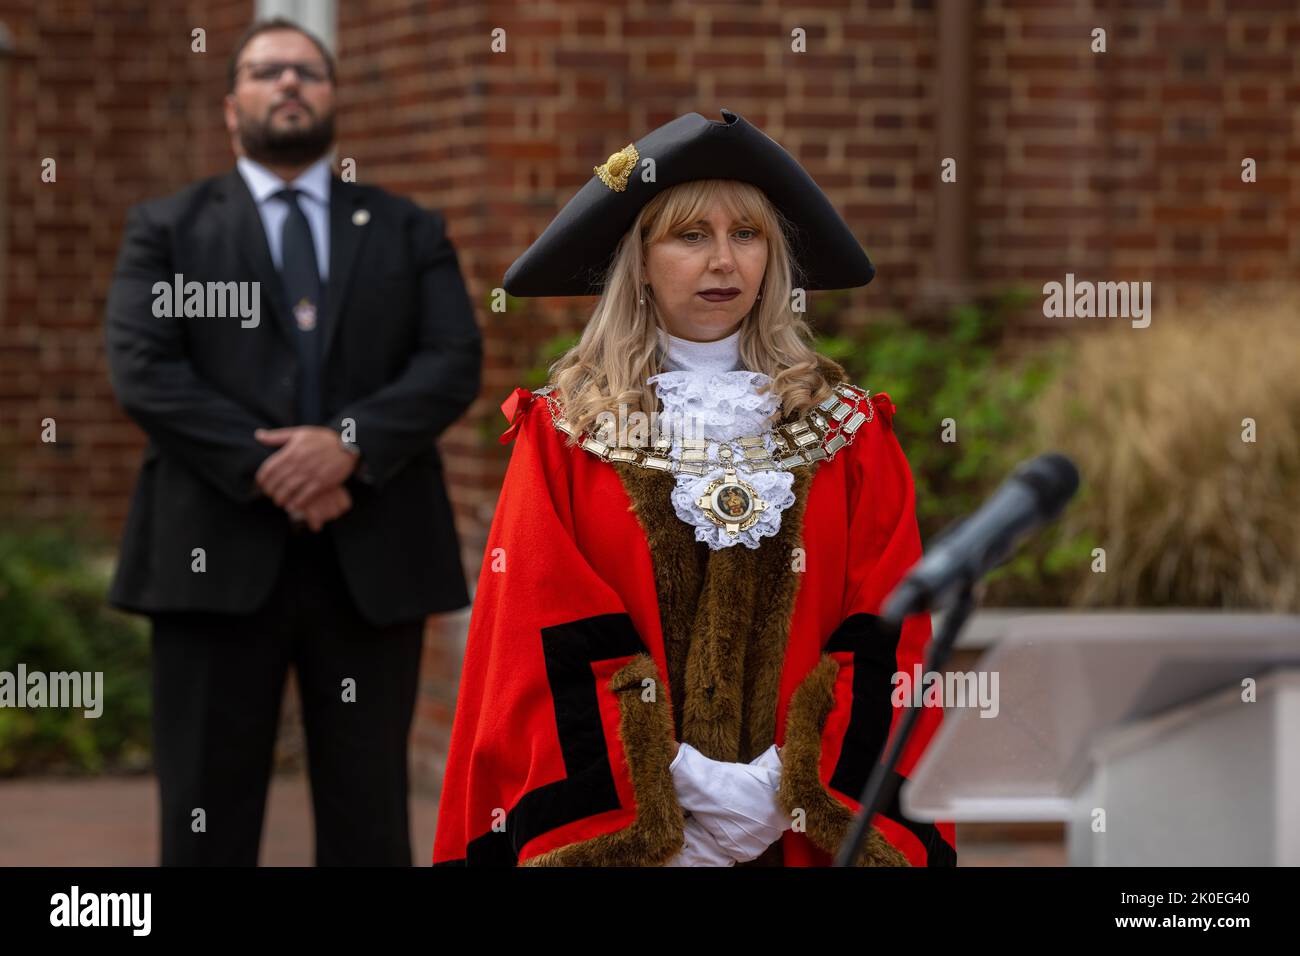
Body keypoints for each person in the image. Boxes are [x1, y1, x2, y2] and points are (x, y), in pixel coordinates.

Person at [431, 109, 955, 867]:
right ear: (639, 260)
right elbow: (537, 643)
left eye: (747, 235)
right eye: (690, 236)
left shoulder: (851, 436)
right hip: (630, 836)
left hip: (799, 835)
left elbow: (889, 631)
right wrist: (671, 797)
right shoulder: (564, 437)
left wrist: (783, 791)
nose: (723, 262)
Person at [104, 17, 482, 865]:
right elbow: (143, 369)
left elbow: (452, 359)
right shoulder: (167, 229)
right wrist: (279, 465)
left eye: (307, 71)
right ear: (231, 104)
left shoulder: (406, 229)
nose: (288, 84)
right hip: (209, 556)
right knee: (203, 815)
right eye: (266, 71)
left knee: (369, 819)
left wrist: (347, 442)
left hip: (371, 555)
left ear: (333, 97)